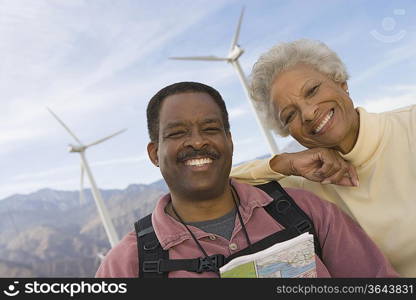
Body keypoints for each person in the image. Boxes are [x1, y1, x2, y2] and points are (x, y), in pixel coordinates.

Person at [95, 81, 397, 278]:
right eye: (177, 133)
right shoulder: (125, 266)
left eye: (211, 128)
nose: (197, 142)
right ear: (154, 153)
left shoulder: (307, 212)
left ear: (229, 140)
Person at [230, 39, 416, 277]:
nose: (307, 113)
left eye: (312, 90)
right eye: (290, 115)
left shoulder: (410, 125)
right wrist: (282, 163)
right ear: (287, 131)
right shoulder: (304, 184)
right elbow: (207, 184)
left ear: (341, 82)